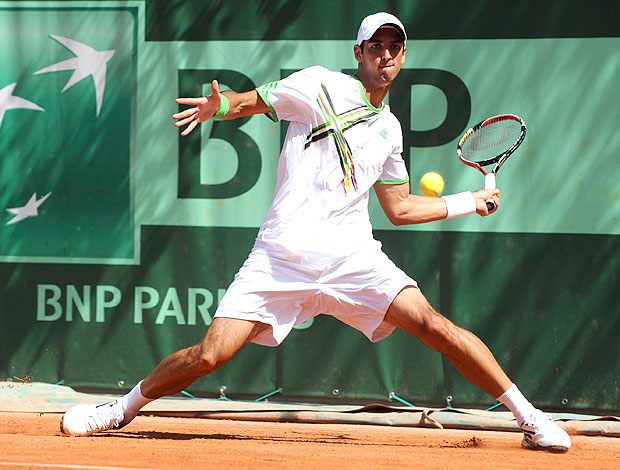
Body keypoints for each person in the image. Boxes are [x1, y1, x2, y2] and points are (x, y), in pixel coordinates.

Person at [59, 12, 571, 452]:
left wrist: (466, 201)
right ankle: (120, 409)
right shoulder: (320, 85)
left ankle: (531, 419)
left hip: (352, 259)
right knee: (210, 355)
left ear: (403, 56)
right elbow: (252, 101)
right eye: (377, 47)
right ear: (359, 51)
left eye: (396, 48)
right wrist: (220, 106)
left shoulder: (391, 131)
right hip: (280, 256)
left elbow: (399, 208)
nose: (386, 56)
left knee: (436, 326)